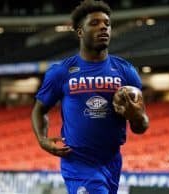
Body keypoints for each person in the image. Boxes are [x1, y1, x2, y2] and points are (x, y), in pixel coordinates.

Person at [31, 0, 149, 193]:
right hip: (78, 161)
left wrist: (137, 116)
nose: (103, 27)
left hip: (112, 161)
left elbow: (141, 126)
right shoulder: (62, 72)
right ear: (80, 32)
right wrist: (42, 139)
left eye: (107, 24)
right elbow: (39, 110)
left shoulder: (126, 71)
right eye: (94, 23)